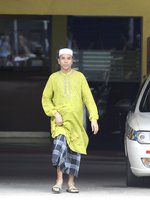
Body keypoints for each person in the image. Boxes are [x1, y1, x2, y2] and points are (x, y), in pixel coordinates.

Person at [41, 48, 99, 194]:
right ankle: (59, 181)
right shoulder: (53, 78)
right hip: (60, 123)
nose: (66, 61)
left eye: (68, 58)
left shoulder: (80, 77)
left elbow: (88, 99)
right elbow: (46, 99)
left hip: (76, 123)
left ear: (72, 60)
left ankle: (71, 183)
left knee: (73, 152)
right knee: (59, 150)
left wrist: (94, 118)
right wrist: (54, 113)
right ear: (58, 61)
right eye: (63, 58)